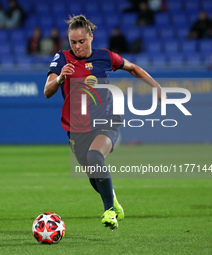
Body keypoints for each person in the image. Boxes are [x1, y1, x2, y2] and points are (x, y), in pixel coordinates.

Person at [44, 15, 162, 230]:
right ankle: (113, 201)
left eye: (82, 41)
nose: (78, 46)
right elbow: (47, 91)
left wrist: (156, 87)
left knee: (95, 156)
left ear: (91, 37)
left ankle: (109, 212)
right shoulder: (62, 58)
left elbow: (133, 68)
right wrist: (60, 77)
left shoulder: (106, 57)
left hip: (106, 119)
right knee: (92, 172)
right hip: (76, 127)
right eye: (73, 42)